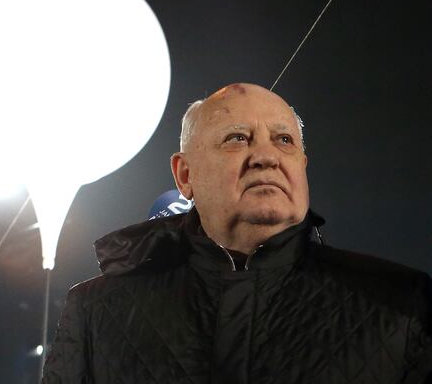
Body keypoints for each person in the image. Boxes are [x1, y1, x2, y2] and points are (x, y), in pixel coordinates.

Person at [41, 83, 431, 383]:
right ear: (185, 175)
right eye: (237, 138)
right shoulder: (94, 312)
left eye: (284, 140)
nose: (266, 156)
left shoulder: (402, 303)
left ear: (302, 166)